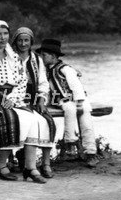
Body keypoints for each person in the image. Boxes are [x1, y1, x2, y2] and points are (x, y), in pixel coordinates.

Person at [0, 20, 51, 184]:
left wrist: (12, 98)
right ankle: (0, 165)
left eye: (5, 34)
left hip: (11, 97)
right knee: (9, 117)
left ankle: (30, 167)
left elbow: (22, 81)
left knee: (33, 118)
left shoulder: (13, 56)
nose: (2, 38)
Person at [36, 38, 99, 168]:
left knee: (85, 122)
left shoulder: (65, 69)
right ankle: (70, 141)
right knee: (69, 109)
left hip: (78, 99)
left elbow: (76, 86)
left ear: (53, 56)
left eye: (44, 55)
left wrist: (80, 102)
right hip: (63, 100)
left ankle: (90, 152)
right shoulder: (46, 70)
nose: (41, 58)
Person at [11, 27, 57, 178]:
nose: (23, 44)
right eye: (20, 40)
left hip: (33, 100)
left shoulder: (36, 59)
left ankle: (45, 163)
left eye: (26, 40)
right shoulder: (10, 57)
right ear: (15, 41)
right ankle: (17, 161)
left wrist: (42, 100)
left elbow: (43, 83)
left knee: (47, 121)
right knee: (31, 121)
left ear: (31, 42)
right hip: (13, 100)